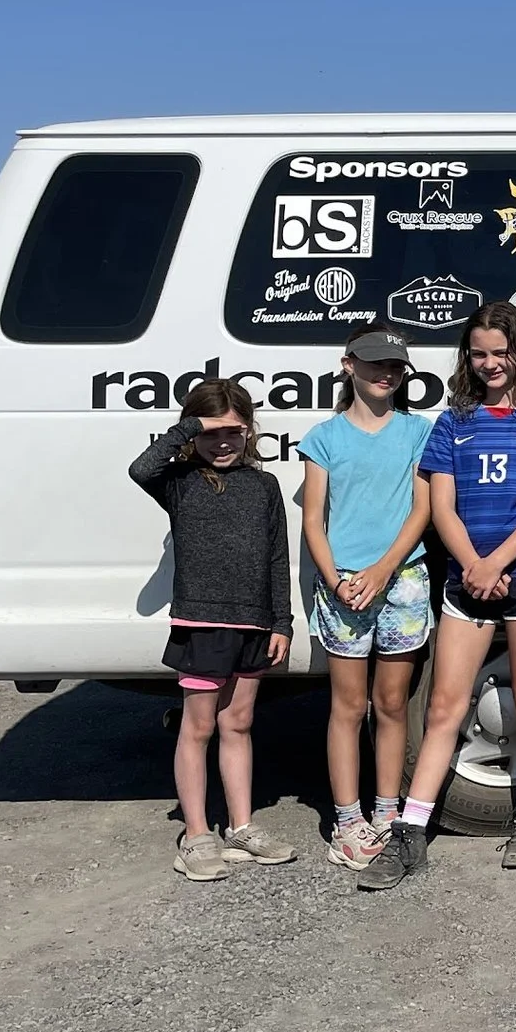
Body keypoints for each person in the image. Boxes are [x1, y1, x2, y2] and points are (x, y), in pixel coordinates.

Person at [361, 302, 516, 893]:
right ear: (467, 359)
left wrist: (498, 560)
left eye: (502, 352)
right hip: (466, 585)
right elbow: (440, 507)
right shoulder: (452, 423)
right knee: (446, 706)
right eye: (480, 353)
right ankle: (410, 834)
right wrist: (474, 565)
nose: (491, 363)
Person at [127, 377, 296, 881]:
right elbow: (141, 468)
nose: (222, 444)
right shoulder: (178, 483)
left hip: (255, 624)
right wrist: (193, 425)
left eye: (233, 433)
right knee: (197, 728)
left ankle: (240, 827)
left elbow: (277, 558)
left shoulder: (264, 486)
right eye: (211, 435)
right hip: (201, 624)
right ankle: (197, 835)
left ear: (249, 432)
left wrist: (280, 622)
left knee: (238, 724)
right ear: (194, 433)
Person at [298, 322, 435, 871]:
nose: (386, 374)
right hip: (344, 585)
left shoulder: (418, 433)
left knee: (393, 703)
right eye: (375, 363)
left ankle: (387, 811)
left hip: (402, 579)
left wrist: (383, 570)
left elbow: (423, 511)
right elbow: (313, 520)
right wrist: (337, 581)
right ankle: (347, 821)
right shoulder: (324, 437)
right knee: (348, 706)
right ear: (348, 365)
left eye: (396, 367)